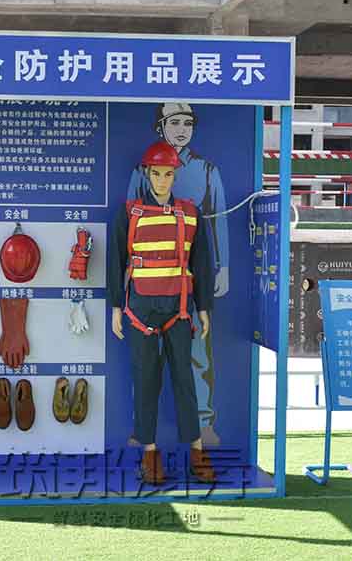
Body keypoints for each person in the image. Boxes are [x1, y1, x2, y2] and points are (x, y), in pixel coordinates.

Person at [109, 140, 216, 484]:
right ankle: (149, 452)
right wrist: (115, 307)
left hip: (179, 309)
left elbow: (202, 263)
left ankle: (197, 450)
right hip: (139, 310)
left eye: (168, 174)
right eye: (156, 174)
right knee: (145, 380)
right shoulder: (130, 213)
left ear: (175, 176)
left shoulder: (191, 214)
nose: (162, 181)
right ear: (147, 174)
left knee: (185, 379)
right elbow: (115, 262)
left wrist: (204, 308)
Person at [125, 103, 229, 445]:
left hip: (181, 301)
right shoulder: (135, 195)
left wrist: (215, 284)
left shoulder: (205, 174)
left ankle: (200, 436)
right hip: (142, 302)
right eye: (174, 122)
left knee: (191, 370)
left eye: (187, 122)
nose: (181, 129)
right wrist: (118, 304)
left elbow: (213, 233)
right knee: (145, 375)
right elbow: (124, 249)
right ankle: (147, 444)